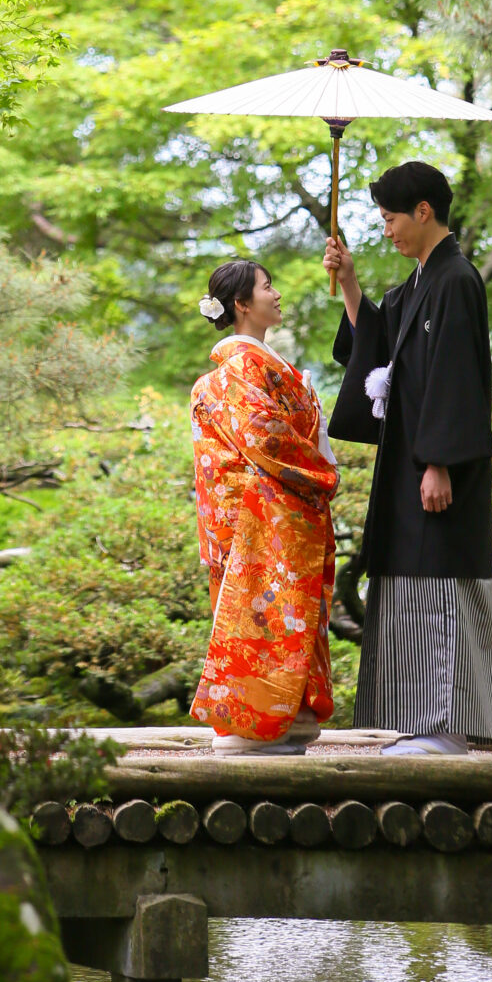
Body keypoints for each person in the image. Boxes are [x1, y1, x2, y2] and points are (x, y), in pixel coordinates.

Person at [324, 161, 492, 755]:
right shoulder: (421, 283)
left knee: (442, 586)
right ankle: (422, 722)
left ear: (423, 211)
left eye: (390, 219)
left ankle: (448, 726)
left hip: (436, 468)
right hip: (412, 466)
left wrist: (439, 462)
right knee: (410, 585)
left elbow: (457, 379)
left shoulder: (456, 279)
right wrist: (350, 283)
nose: (387, 231)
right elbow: (379, 342)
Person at [189, 259, 339, 755]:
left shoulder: (254, 364)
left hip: (270, 510)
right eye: (266, 287)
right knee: (261, 615)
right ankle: (256, 725)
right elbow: (265, 437)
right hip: (263, 513)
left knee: (273, 616)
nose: (276, 294)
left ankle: (280, 718)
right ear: (242, 305)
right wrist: (321, 472)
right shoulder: (241, 367)